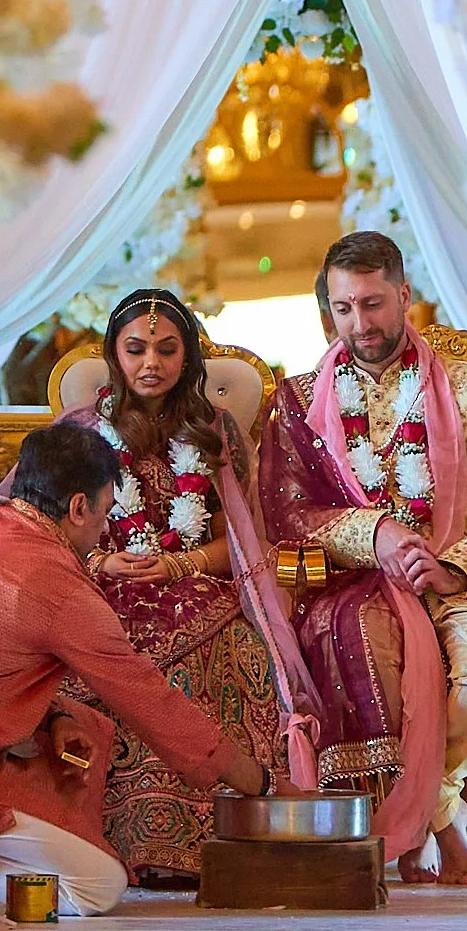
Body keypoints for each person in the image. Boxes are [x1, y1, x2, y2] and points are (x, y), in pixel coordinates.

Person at [0, 418, 266, 918]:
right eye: (104, 514)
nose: (102, 530)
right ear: (79, 507)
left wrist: (52, 714)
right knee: (97, 884)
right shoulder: (49, 575)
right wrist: (257, 783)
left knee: (81, 730)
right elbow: (149, 699)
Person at [257, 231, 467, 886]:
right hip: (356, 583)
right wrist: (378, 537)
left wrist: (453, 567)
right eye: (343, 309)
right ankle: (441, 825)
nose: (359, 324)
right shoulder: (304, 399)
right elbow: (291, 515)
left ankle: (429, 807)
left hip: (465, 583)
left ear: (404, 296)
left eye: (372, 304)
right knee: (363, 649)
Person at [63, 293, 287, 885]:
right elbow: (40, 532)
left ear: (188, 357)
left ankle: (207, 845)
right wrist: (106, 563)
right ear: (114, 355)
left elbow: (238, 544)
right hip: (95, 589)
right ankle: (104, 843)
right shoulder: (79, 435)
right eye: (135, 350)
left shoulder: (216, 434)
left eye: (167, 349)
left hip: (198, 588)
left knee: (231, 655)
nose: (150, 364)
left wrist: (179, 567)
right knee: (92, 664)